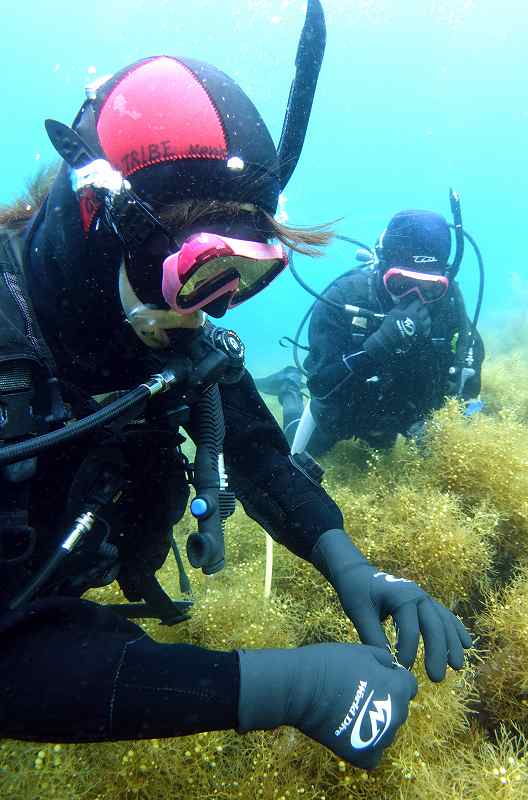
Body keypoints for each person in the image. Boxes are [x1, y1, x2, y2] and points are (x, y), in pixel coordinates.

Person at [0, 1, 471, 770]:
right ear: (100, 220)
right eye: (203, 270)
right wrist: (276, 687)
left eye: (246, 277)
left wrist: (349, 560)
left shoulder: (160, 328)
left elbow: (257, 453)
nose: (216, 306)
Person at [257, 207, 485, 456]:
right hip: (344, 411)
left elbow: (466, 385)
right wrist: (378, 346)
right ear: (381, 267)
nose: (415, 297)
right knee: (297, 461)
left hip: (404, 413)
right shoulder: (343, 298)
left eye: (430, 289)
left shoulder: (449, 307)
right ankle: (289, 386)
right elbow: (321, 387)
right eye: (401, 284)